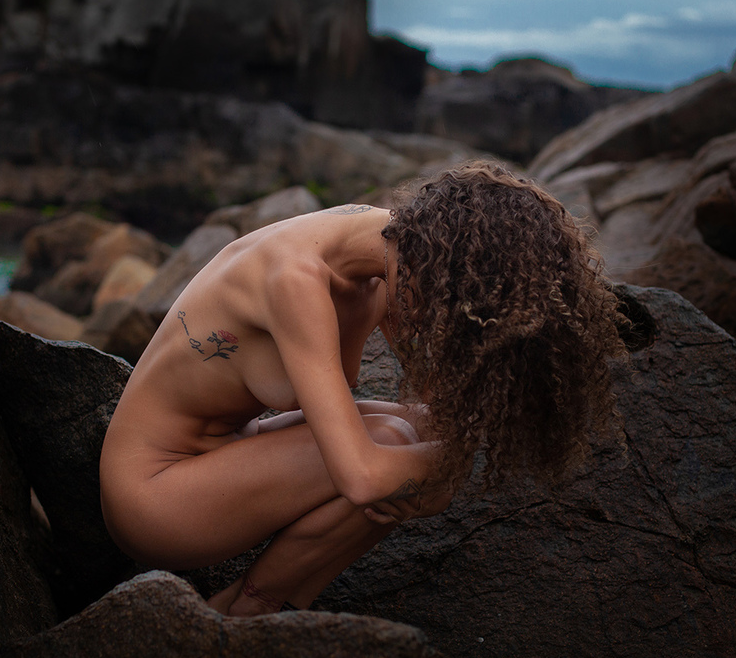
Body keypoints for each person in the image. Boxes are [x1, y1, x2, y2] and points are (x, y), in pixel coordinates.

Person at [99, 161, 627, 616]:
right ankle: (248, 608)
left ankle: (273, 601)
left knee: (417, 429)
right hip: (154, 495)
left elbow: (436, 406)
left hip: (227, 447)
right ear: (437, 266)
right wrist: (438, 479)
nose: (441, 324)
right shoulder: (296, 283)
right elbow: (363, 477)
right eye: (454, 305)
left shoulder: (380, 246)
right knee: (395, 448)